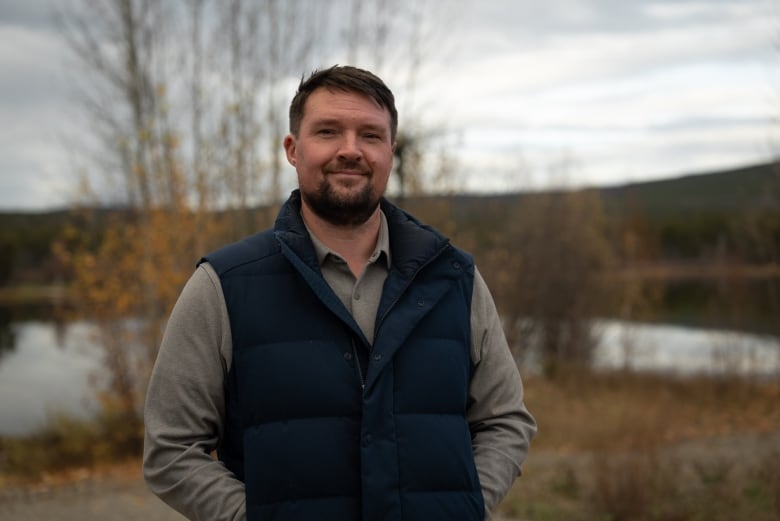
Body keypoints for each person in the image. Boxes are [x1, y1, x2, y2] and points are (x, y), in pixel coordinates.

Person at [143, 65, 536, 521]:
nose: (350, 150)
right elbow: (171, 449)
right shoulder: (223, 286)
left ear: (390, 152)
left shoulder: (454, 278)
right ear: (293, 149)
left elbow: (506, 421)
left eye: (370, 135)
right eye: (328, 131)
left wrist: (462, 507)